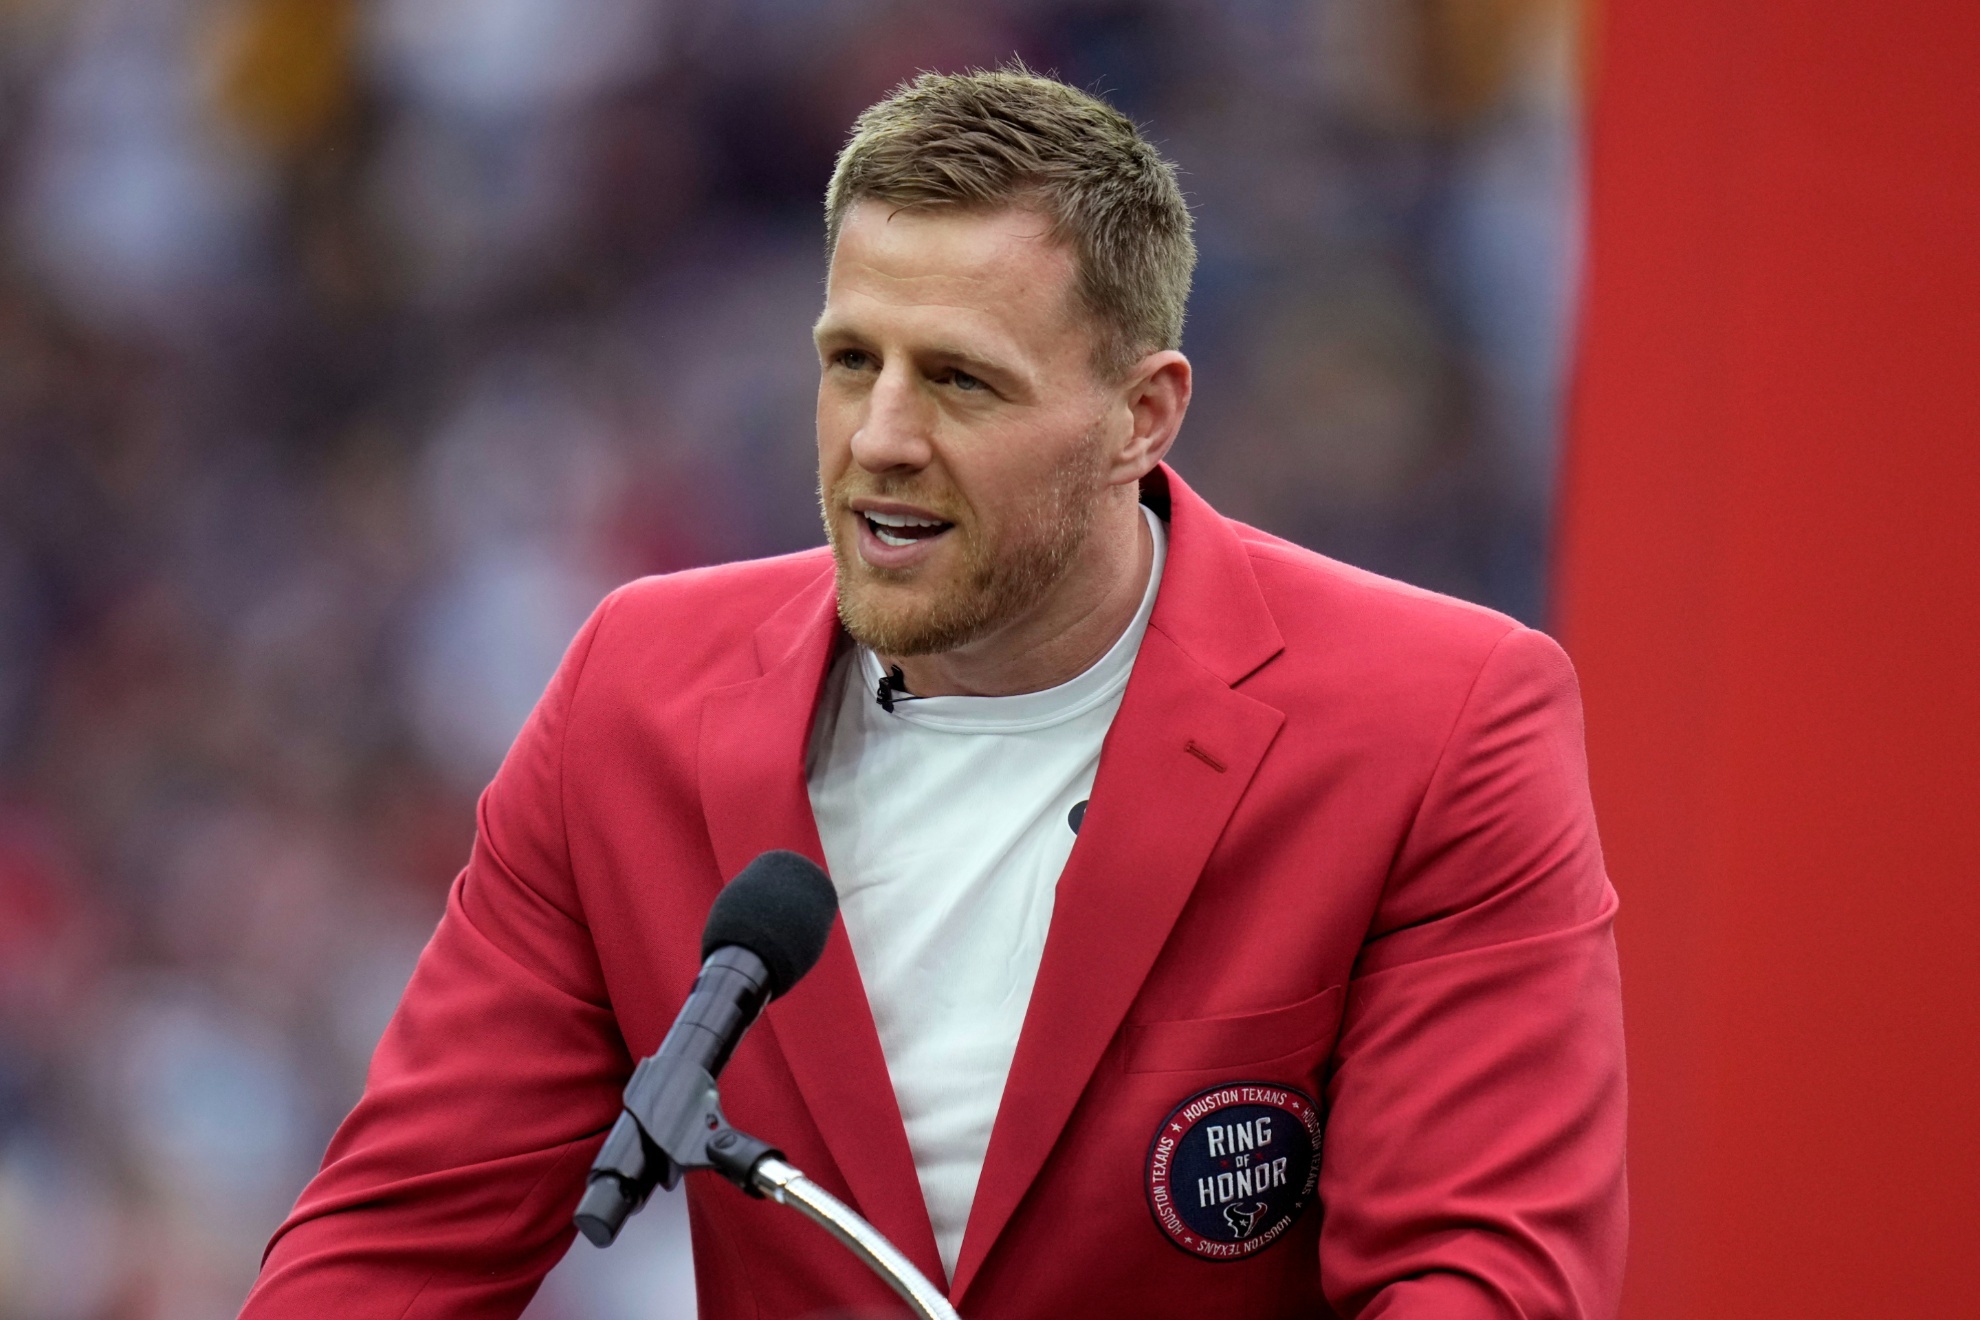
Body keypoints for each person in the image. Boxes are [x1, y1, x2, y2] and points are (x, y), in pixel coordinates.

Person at [240, 68, 1624, 1319]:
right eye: (853, 362)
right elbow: (387, 1252)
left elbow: (1479, 1282)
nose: (881, 439)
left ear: (1144, 415)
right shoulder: (634, 693)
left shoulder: (1440, 721)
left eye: (959, 380)